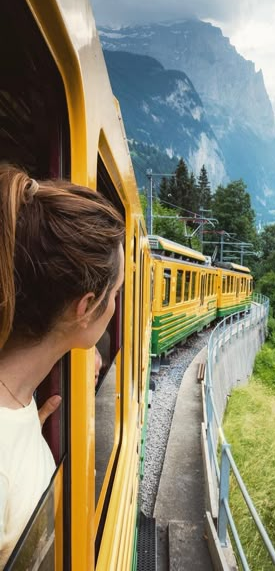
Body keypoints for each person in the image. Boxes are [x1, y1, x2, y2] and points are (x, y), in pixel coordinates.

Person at [0, 164, 125, 568]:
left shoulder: (16, 419)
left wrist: (24, 437)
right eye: (116, 294)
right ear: (86, 308)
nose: (117, 308)